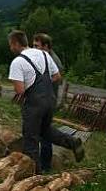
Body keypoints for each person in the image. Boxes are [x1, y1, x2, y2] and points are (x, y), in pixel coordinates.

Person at [7, 30, 84, 173]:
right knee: (45, 130)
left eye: (10, 45)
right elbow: (57, 76)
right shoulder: (44, 54)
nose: (10, 48)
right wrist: (42, 87)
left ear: (15, 43)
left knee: (30, 139)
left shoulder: (18, 62)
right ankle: (72, 142)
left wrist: (31, 90)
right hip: (50, 100)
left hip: (34, 104)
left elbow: (20, 90)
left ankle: (34, 175)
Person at [32, 33, 64, 172]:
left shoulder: (52, 61)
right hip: (43, 100)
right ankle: (40, 163)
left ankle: (44, 166)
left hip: (46, 102)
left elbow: (51, 81)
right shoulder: (44, 57)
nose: (34, 48)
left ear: (46, 46)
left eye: (36, 46)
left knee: (44, 134)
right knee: (40, 132)